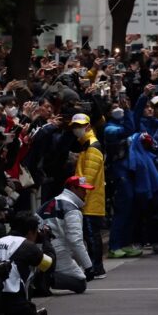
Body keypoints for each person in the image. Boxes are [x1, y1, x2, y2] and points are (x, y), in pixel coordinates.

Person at [38, 175, 95, 294]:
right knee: (80, 283)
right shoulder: (72, 209)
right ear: (73, 188)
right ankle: (45, 279)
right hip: (58, 251)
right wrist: (89, 267)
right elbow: (75, 240)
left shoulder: (48, 203)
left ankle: (42, 277)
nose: (85, 193)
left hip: (40, 250)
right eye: (82, 189)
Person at [71, 113, 106, 279]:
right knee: (90, 235)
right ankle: (96, 267)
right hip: (89, 198)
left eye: (80, 125)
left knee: (92, 235)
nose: (77, 129)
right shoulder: (87, 145)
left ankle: (96, 268)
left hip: (89, 199)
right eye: (74, 126)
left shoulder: (92, 147)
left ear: (88, 126)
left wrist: (79, 196)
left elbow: (88, 178)